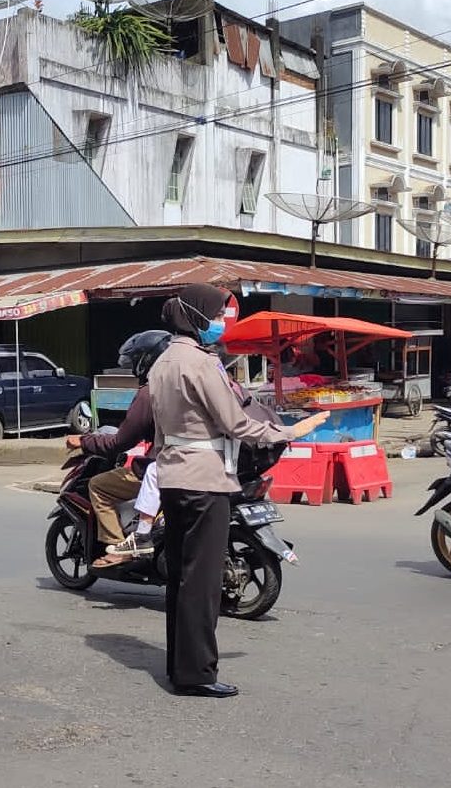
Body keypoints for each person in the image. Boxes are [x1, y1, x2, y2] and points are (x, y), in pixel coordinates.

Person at [150, 283, 329, 698]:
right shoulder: (201, 364)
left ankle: (182, 666)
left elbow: (160, 429)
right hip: (205, 479)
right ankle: (197, 674)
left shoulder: (162, 361)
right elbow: (236, 423)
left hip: (173, 475)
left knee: (181, 575)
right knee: (203, 581)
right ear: (196, 318)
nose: (219, 324)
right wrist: (285, 432)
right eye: (214, 316)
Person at [64, 330, 171, 569]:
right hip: (202, 462)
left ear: (145, 361)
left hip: (165, 465)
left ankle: (118, 546)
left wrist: (83, 441)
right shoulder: (181, 385)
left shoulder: (149, 392)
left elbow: (120, 442)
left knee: (99, 486)